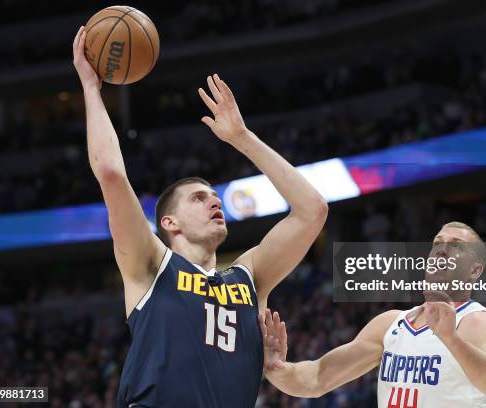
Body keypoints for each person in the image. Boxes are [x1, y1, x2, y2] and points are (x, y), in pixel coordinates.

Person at [72, 26, 328, 407]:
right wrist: (92, 89)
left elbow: (312, 211)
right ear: (169, 223)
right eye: (198, 198)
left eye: (215, 197)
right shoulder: (150, 266)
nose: (215, 203)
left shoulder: (248, 275)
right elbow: (110, 172)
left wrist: (242, 138)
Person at [260, 222, 486, 407]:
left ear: (474, 271)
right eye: (437, 243)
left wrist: (452, 340)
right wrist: (276, 369)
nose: (442, 249)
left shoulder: (479, 322)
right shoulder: (390, 323)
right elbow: (318, 377)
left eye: (456, 246)